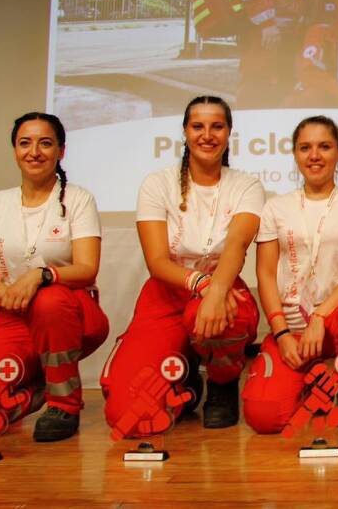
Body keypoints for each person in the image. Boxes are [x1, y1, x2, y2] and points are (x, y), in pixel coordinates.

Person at [0, 112, 108, 443]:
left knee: (48, 298)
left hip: (72, 313)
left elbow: (87, 268)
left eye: (45, 143)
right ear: (15, 150)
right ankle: (36, 390)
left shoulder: (77, 199)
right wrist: (13, 297)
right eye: (25, 143)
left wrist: (41, 275)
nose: (34, 152)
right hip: (14, 317)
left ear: (61, 151)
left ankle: (65, 404)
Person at [101, 96, 262, 437]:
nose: (207, 134)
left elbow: (237, 245)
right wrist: (202, 284)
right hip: (167, 293)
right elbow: (157, 261)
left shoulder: (246, 185)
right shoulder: (157, 183)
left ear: (229, 132)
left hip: (223, 286)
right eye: (198, 126)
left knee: (228, 312)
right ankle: (184, 374)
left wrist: (215, 290)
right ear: (185, 132)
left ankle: (221, 382)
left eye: (217, 126)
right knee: (126, 414)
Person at [242, 116, 338, 433]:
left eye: (324, 147)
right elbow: (265, 274)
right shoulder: (275, 208)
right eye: (305, 148)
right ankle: (310, 381)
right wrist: (279, 333)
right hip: (291, 329)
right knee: (264, 417)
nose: (314, 155)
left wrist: (320, 316)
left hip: (337, 320)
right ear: (295, 154)